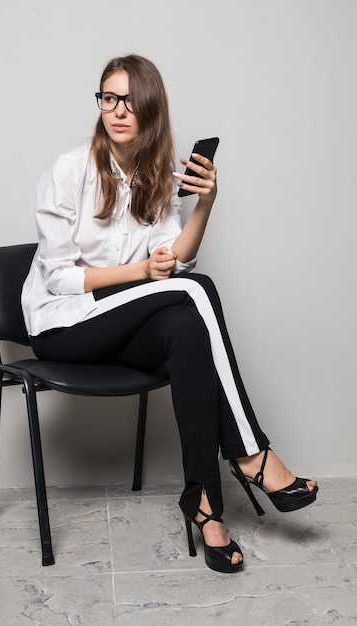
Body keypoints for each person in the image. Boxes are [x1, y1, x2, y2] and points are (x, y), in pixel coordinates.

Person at [21, 54, 318, 574]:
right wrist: (142, 272)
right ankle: (252, 455)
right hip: (64, 325)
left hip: (122, 320)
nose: (117, 110)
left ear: (151, 108)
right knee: (194, 291)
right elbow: (58, 278)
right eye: (108, 98)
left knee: (184, 321)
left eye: (130, 100)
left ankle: (205, 506)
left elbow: (175, 260)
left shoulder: (157, 176)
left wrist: (205, 204)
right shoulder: (71, 169)